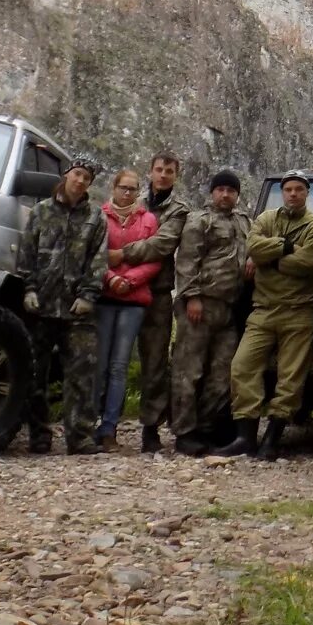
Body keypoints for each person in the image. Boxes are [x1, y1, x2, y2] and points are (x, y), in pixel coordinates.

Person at [214, 171, 313, 462]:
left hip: (300, 311)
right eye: (288, 189)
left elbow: (309, 262)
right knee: (242, 366)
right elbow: (254, 248)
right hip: (263, 309)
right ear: (282, 192)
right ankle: (245, 436)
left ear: (306, 193)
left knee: (290, 377)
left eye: (299, 189)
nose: (293, 194)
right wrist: (287, 246)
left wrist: (270, 258)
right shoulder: (265, 219)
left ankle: (272, 438)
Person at [18, 159, 110, 455]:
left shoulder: (96, 218)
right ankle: (39, 435)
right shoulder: (40, 212)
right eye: (77, 174)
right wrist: (29, 288)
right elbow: (26, 254)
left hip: (77, 310)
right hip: (41, 307)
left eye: (87, 178)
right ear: (66, 176)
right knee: (35, 374)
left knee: (83, 373)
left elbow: (98, 260)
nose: (81, 181)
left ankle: (79, 437)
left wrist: (87, 295)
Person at [168, 168, 254, 455]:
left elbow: (251, 249)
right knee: (188, 371)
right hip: (200, 306)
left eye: (231, 190)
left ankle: (206, 429)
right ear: (212, 192)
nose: (226, 194)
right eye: (221, 189)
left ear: (237, 195)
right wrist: (191, 296)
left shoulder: (245, 221)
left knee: (221, 375)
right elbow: (187, 261)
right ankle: (184, 431)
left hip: (229, 310)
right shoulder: (198, 220)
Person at [111, 152, 190, 452]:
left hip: (156, 292)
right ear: (151, 171)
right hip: (121, 288)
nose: (163, 175)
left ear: (176, 175)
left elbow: (163, 244)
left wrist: (124, 254)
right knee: (113, 359)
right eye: (159, 170)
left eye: (169, 171)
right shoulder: (135, 202)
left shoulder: (179, 209)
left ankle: (150, 428)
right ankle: (108, 425)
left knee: (154, 361)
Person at [93, 169, 159, 448]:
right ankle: (89, 423)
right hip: (104, 297)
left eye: (133, 189)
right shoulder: (99, 216)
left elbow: (155, 258)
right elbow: (93, 253)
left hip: (133, 301)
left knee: (119, 366)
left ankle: (109, 428)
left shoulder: (148, 220)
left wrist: (129, 280)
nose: (128, 193)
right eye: (124, 188)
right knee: (98, 364)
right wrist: (111, 278)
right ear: (114, 187)